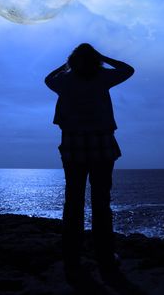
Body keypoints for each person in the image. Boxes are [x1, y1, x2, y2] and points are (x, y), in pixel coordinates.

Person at [45, 43, 134, 285]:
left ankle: (72, 258)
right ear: (95, 60)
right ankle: (104, 256)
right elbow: (128, 70)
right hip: (101, 142)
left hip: (73, 143)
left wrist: (66, 66)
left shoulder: (65, 80)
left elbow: (47, 79)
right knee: (101, 201)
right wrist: (103, 57)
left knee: (73, 202)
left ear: (72, 61)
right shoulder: (103, 76)